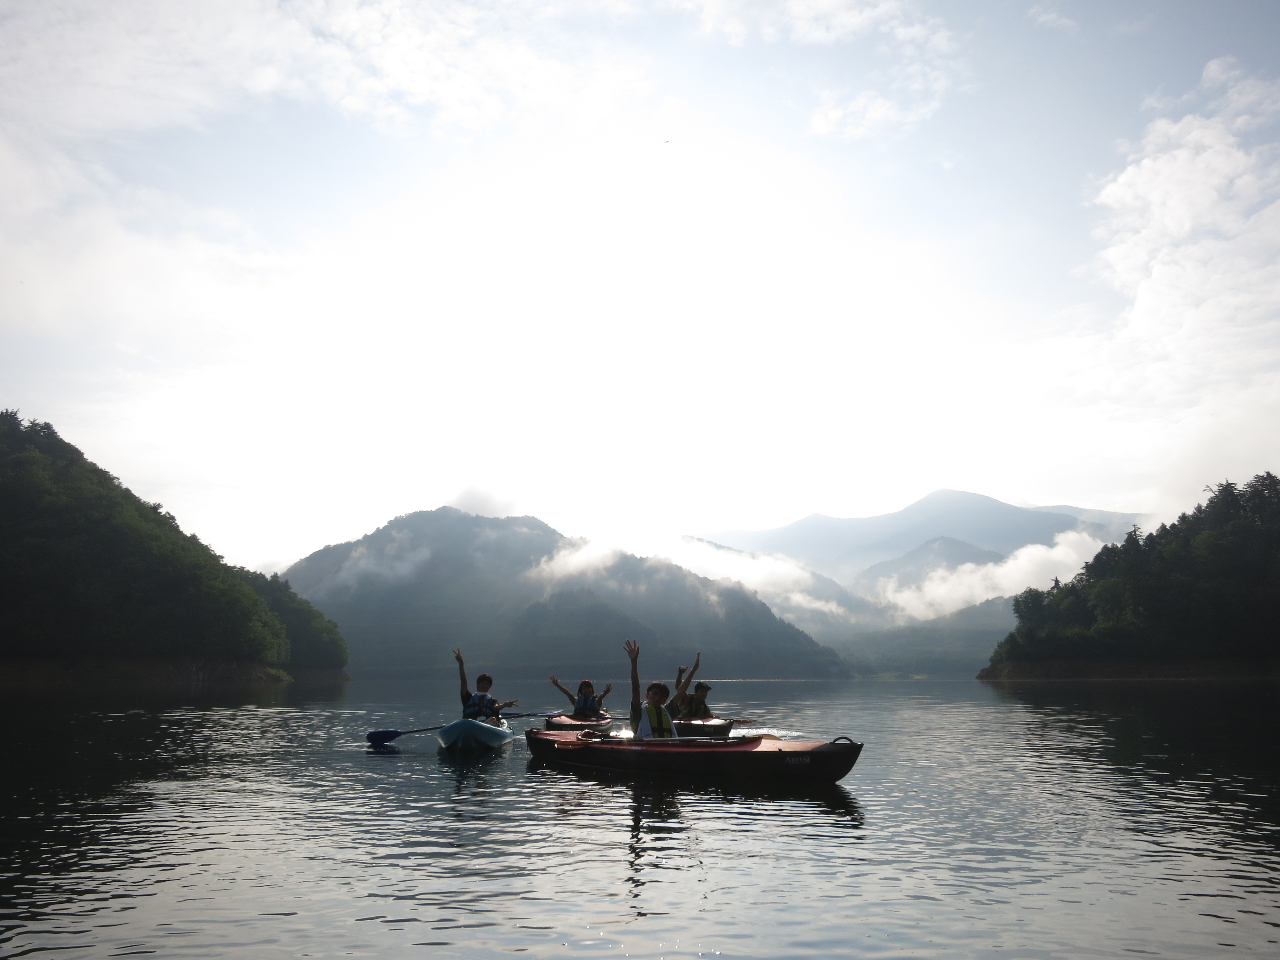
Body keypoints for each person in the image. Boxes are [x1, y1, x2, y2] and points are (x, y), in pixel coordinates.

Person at [624, 638, 678, 739]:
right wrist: (634, 661)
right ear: (647, 695)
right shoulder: (638, 711)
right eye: (655, 694)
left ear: (665, 701)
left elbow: (681, 692)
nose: (657, 698)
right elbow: (635, 688)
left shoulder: (666, 711)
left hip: (666, 746)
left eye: (661, 696)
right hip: (644, 746)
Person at [454, 648, 518, 726]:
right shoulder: (468, 698)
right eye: (482, 683)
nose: (484, 685)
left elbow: (496, 708)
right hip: (469, 724)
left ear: (489, 686)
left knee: (493, 720)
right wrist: (461, 664)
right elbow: (463, 682)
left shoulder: (493, 701)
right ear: (478, 684)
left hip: (488, 725)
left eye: (487, 684)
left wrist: (504, 705)